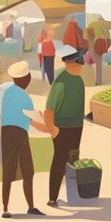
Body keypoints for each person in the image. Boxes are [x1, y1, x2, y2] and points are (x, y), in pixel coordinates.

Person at [0, 60, 42, 218]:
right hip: (20, 133)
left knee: (7, 171)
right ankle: (31, 206)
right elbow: (32, 118)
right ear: (24, 79)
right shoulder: (24, 96)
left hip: (6, 132)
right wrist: (50, 128)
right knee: (28, 170)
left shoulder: (7, 93)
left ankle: (5, 208)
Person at [43, 45, 86, 208]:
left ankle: (74, 194)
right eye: (78, 60)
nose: (81, 64)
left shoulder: (79, 80)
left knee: (73, 159)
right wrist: (52, 130)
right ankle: (53, 197)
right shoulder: (61, 80)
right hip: (62, 126)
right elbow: (50, 108)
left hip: (76, 126)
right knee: (60, 160)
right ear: (71, 61)